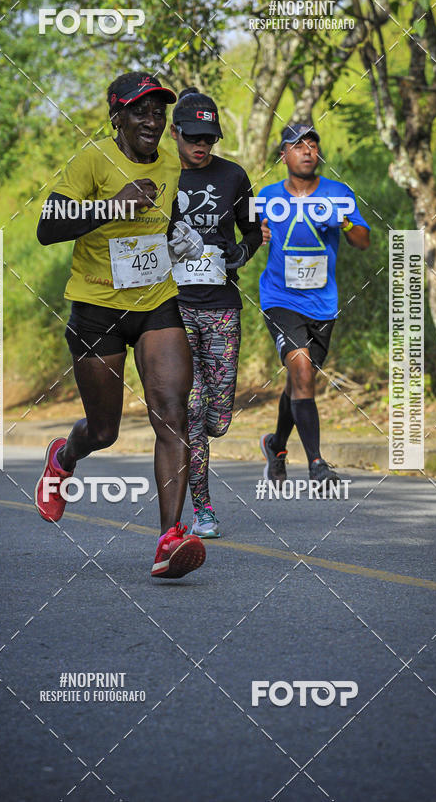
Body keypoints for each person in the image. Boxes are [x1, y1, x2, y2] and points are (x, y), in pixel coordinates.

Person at [34, 71, 208, 580]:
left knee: (172, 413)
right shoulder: (92, 160)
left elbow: (165, 215)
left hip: (157, 302)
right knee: (105, 430)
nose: (152, 120)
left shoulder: (172, 165)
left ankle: (168, 539)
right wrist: (113, 205)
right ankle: (63, 457)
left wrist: (182, 237)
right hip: (97, 308)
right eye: (140, 110)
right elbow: (48, 226)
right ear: (117, 116)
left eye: (158, 111)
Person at [170, 88, 262, 538]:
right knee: (191, 414)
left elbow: (253, 233)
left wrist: (238, 254)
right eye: (193, 138)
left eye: (209, 138)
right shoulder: (159, 175)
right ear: (174, 133)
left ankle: (210, 422)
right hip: (174, 309)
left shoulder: (234, 177)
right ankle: (203, 509)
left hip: (223, 308)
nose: (201, 146)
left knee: (217, 419)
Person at [258, 123, 370, 486]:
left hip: (322, 303)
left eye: (312, 144)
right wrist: (254, 234)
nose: (307, 151)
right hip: (280, 298)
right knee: (302, 372)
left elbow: (363, 241)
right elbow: (244, 235)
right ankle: (317, 464)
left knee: (298, 382)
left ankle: (276, 445)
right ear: (283, 155)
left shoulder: (338, 193)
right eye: (298, 145)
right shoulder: (267, 196)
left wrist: (343, 221)